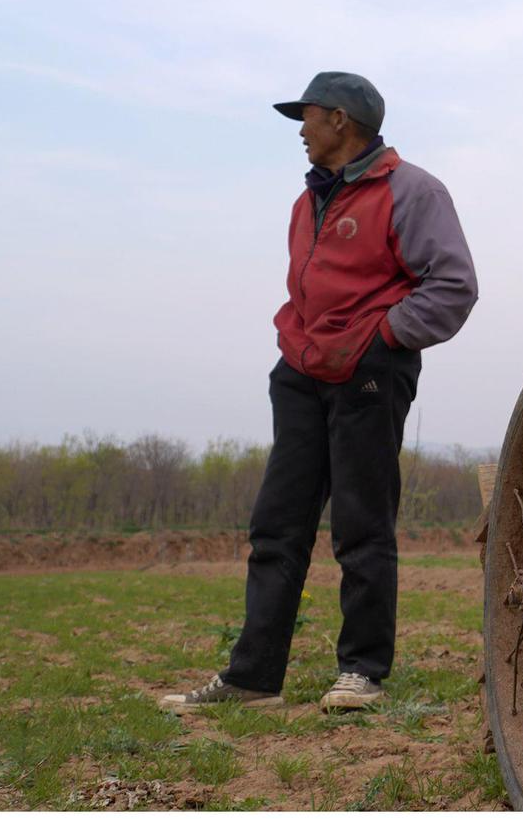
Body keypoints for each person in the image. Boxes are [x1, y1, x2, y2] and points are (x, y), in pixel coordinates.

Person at [160, 72, 478, 713]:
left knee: (362, 528)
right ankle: (252, 679)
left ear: (340, 120)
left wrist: (381, 339)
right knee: (276, 526)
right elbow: (307, 290)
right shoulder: (307, 203)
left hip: (368, 374)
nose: (299, 131)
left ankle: (361, 671)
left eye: (305, 117)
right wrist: (295, 346)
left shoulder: (412, 190)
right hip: (302, 374)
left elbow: (452, 285)